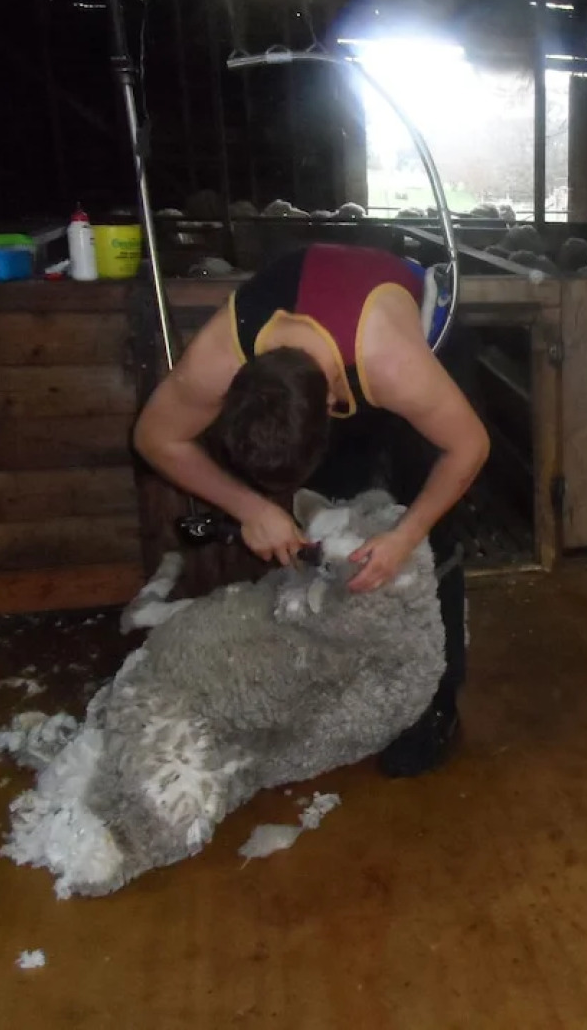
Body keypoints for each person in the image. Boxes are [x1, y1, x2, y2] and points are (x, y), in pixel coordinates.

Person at [133, 241, 490, 776]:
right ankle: (350, 671)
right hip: (331, 347)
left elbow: (470, 447)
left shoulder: (393, 364)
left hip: (423, 332)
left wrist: (406, 535)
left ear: (332, 407)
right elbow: (155, 436)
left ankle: (433, 702)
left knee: (427, 526)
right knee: (337, 512)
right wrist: (250, 506)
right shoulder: (220, 356)